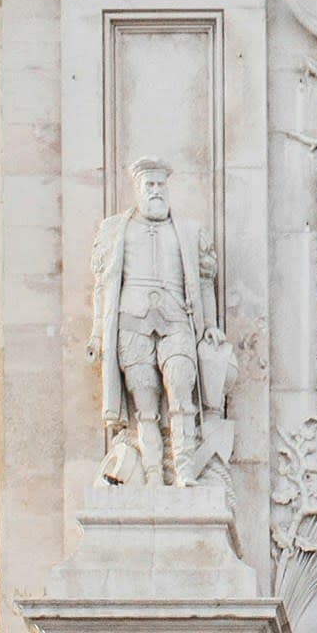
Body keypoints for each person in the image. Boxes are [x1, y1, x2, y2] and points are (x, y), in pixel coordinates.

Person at [89, 159, 223, 487]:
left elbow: (205, 280)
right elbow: (103, 286)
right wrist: (96, 333)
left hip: (177, 320)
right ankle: (151, 475)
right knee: (145, 404)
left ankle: (185, 469)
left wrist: (211, 325)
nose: (156, 191)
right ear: (138, 189)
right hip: (131, 323)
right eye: (149, 185)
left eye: (160, 185)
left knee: (180, 388)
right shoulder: (114, 230)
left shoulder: (189, 232)